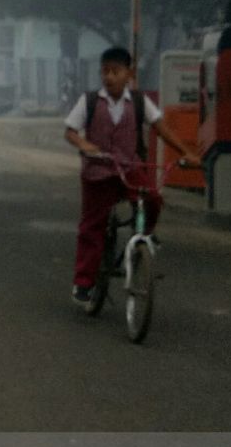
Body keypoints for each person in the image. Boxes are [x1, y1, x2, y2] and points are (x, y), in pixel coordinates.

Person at [63, 47, 200, 307]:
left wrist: (187, 153)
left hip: (129, 168)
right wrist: (85, 145)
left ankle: (145, 236)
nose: (109, 77)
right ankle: (83, 283)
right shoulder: (90, 100)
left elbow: (161, 128)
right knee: (92, 227)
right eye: (105, 71)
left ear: (129, 73)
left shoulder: (138, 102)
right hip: (98, 172)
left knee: (154, 198)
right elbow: (70, 131)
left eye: (115, 71)